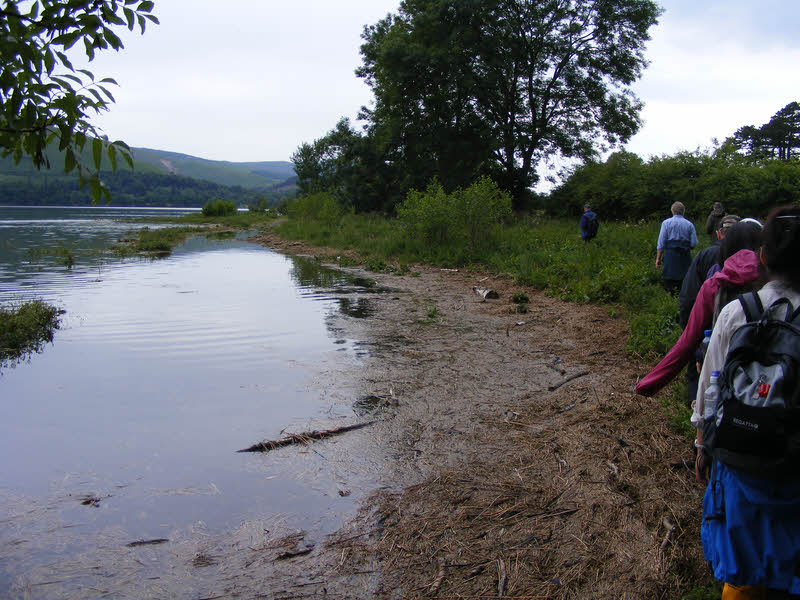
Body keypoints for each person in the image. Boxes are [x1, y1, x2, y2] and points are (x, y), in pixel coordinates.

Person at [693, 205, 800, 599]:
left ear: (763, 256)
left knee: (742, 568)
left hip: (740, 458)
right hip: (793, 464)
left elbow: (711, 384)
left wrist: (703, 444)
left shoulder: (739, 312)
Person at [634, 220, 764, 399]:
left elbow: (687, 342)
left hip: (721, 373)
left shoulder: (716, 284)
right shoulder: (779, 284)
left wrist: (648, 385)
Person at [655, 201, 698, 293]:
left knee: (669, 281)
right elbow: (694, 243)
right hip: (684, 257)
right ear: (683, 211)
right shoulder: (689, 225)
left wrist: (658, 259)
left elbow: (661, 243)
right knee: (684, 281)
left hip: (670, 256)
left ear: (672, 211)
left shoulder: (666, 223)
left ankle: (669, 300)